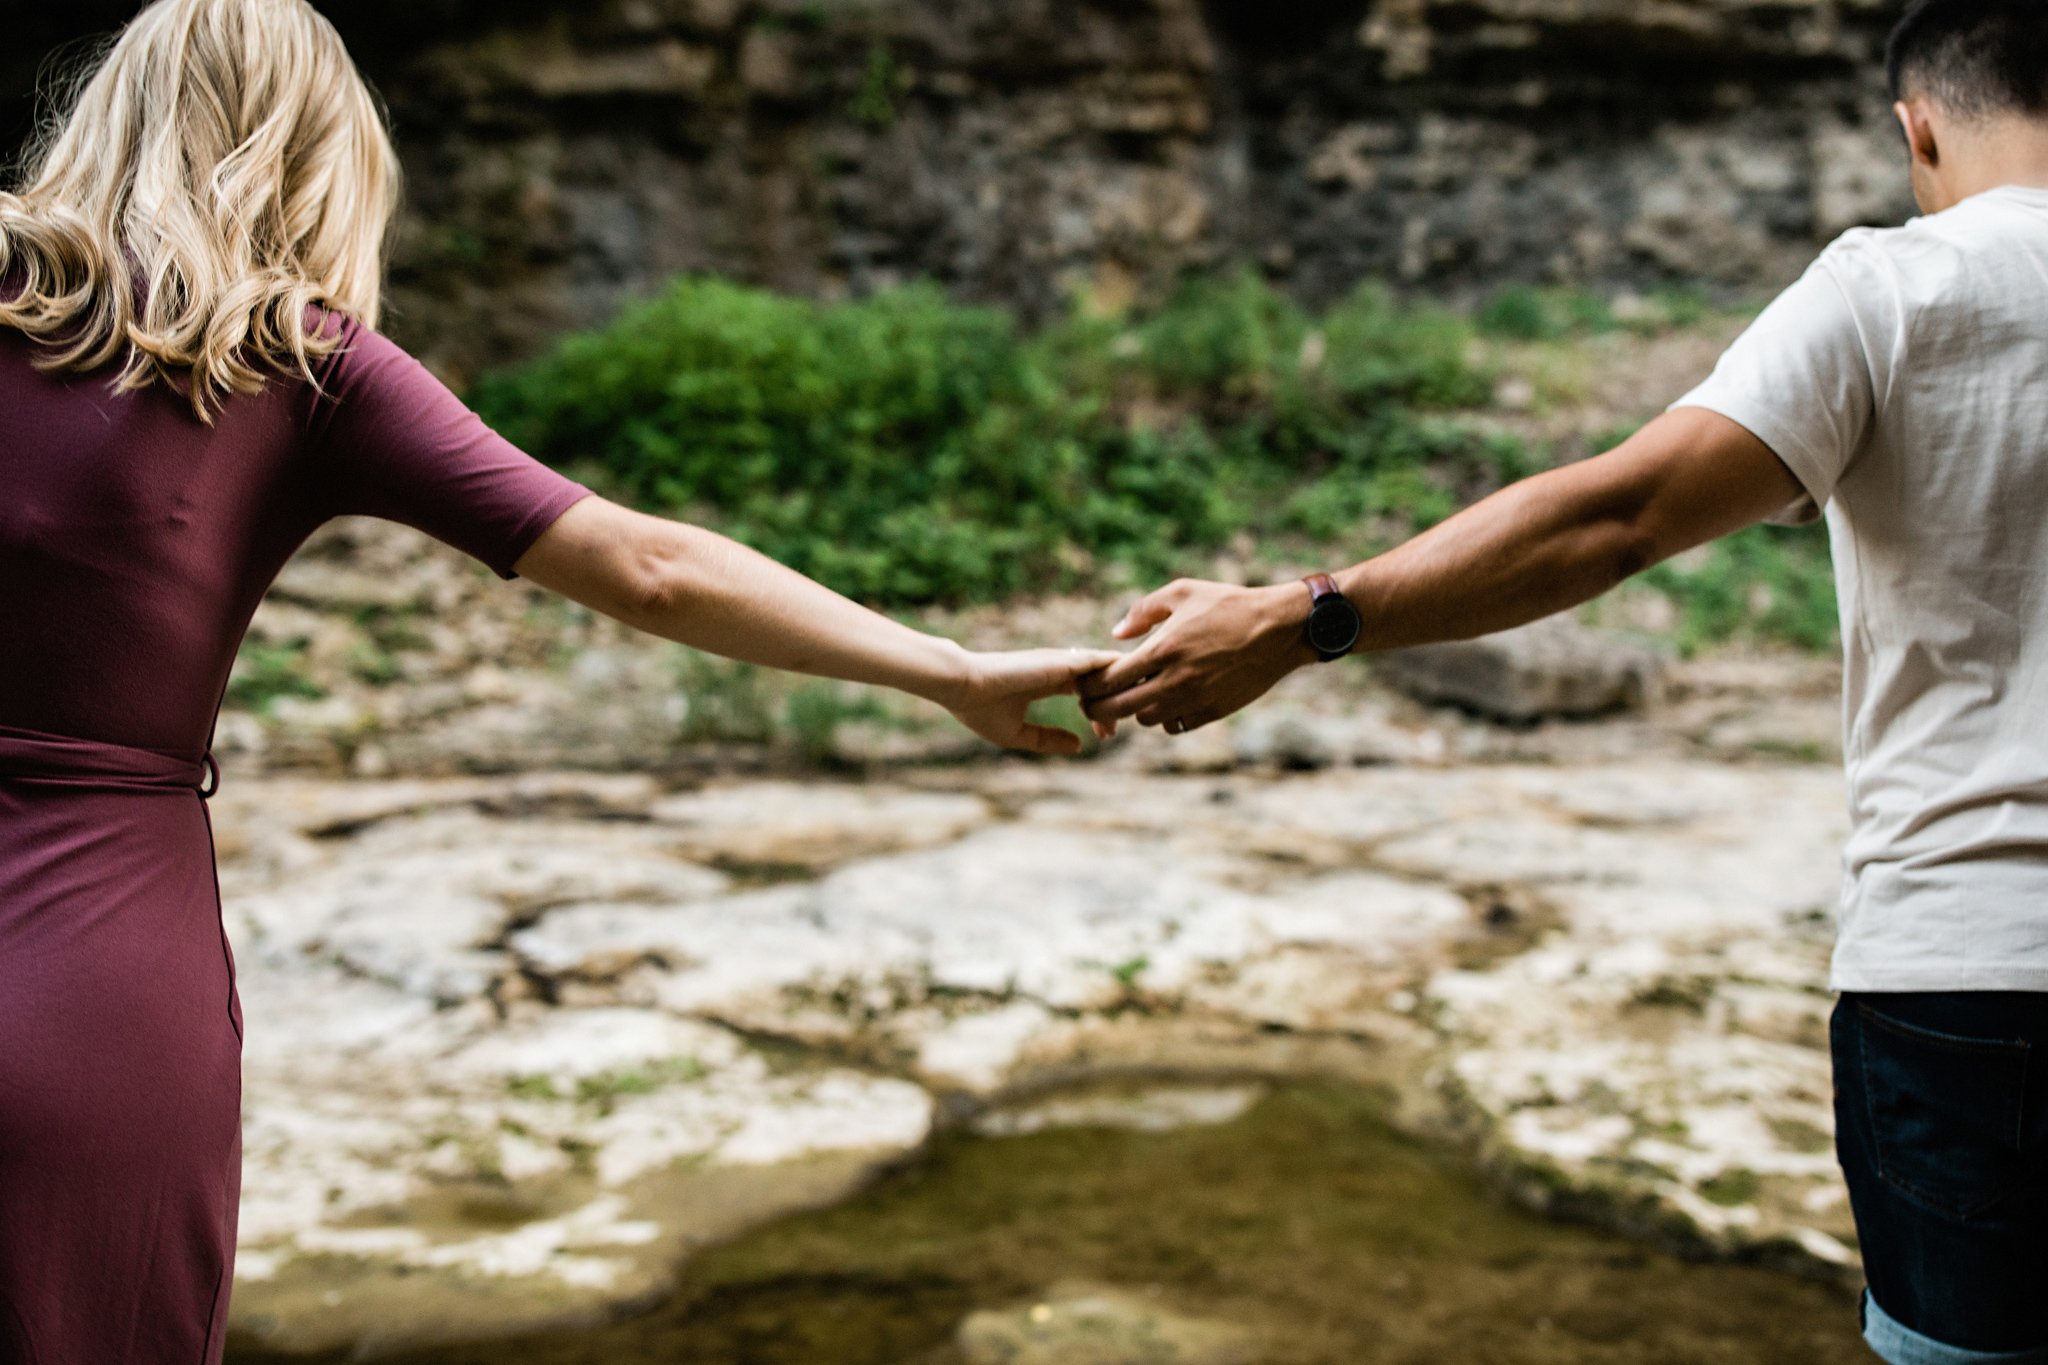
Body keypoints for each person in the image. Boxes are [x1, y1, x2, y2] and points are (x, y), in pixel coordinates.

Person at [0, 1, 1114, 1359]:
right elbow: (645, 564)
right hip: (91, 971)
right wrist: (950, 670)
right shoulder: (293, 359)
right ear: (314, 156)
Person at [1084, 0, 2048, 1358]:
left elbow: (1621, 517)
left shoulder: (1898, 287)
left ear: (1920, 124)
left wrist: (1303, 617)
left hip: (1976, 978)